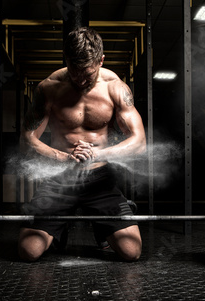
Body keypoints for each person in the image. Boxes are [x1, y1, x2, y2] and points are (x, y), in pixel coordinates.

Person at [18, 27, 146, 262]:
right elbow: (26, 140)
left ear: (101, 60)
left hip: (100, 181)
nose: (81, 79)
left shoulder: (115, 88)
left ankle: (104, 228)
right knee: (29, 251)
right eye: (75, 71)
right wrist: (63, 157)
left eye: (88, 73)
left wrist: (98, 155)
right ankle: (60, 231)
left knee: (131, 252)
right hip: (60, 178)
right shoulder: (48, 88)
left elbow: (139, 142)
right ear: (65, 59)